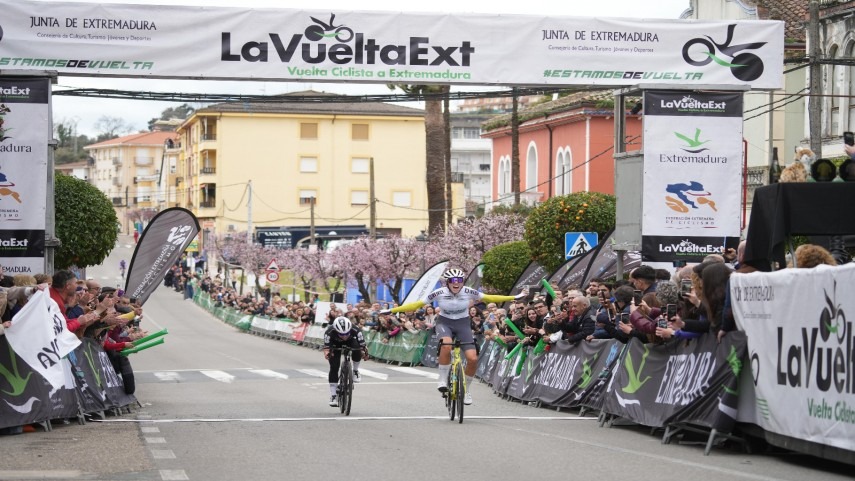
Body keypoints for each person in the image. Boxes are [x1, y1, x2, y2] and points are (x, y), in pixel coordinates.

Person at [387, 268, 526, 406]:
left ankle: (466, 390)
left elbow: (490, 298)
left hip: (463, 324)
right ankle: (442, 380)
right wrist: (392, 310)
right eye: (453, 280)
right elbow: (417, 304)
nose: (456, 283)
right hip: (444, 323)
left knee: (472, 358)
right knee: (446, 345)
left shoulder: (468, 291)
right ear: (447, 282)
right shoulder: (439, 292)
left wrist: (514, 297)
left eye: (459, 280)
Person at [323, 316, 366, 407]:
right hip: (335, 344)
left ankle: (355, 371)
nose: (344, 336)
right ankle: (333, 395)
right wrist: (328, 354)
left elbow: (363, 346)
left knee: (357, 349)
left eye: (346, 333)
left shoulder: (356, 330)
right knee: (334, 367)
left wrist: (363, 353)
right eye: (341, 334)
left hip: (351, 341)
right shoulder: (329, 332)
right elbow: (326, 349)